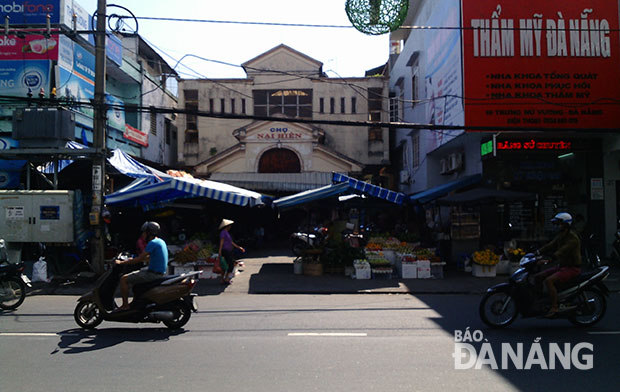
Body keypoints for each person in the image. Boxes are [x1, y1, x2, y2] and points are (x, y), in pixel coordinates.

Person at [535, 212, 582, 317]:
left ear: (565, 224)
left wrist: (549, 259)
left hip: (572, 268)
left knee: (549, 281)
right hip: (562, 266)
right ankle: (540, 300)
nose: (557, 226)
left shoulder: (572, 238)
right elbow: (551, 245)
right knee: (538, 277)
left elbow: (562, 251)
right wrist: (537, 252)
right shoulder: (561, 235)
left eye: (559, 224)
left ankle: (554, 306)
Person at [115, 221, 168, 311]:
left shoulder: (152, 243)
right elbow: (148, 258)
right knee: (134, 278)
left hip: (153, 274)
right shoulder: (160, 241)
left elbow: (139, 259)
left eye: (144, 232)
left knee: (123, 279)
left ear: (149, 233)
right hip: (158, 272)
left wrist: (121, 263)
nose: (142, 235)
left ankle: (125, 306)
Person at [219, 219, 245, 284]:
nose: (230, 227)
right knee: (230, 265)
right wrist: (219, 251)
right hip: (225, 251)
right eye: (229, 226)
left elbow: (231, 242)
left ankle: (223, 279)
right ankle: (226, 278)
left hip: (228, 250)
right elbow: (221, 242)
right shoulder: (223, 232)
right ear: (227, 226)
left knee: (225, 265)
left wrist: (239, 247)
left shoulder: (227, 233)